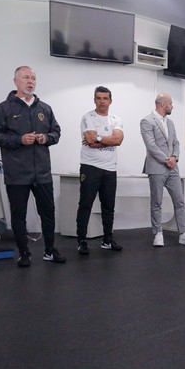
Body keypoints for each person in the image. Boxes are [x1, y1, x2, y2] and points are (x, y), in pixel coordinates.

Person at [0, 65, 65, 267]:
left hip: (42, 173)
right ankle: (24, 252)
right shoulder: (3, 108)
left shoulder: (45, 108)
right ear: (15, 81)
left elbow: (56, 133)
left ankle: (49, 250)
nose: (30, 81)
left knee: (48, 213)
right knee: (18, 215)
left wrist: (45, 137)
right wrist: (19, 139)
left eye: (33, 78)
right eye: (25, 78)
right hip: (17, 173)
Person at [140, 93, 185, 247]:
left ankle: (183, 233)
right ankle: (158, 234)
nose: (172, 106)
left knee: (179, 201)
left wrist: (174, 158)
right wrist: (167, 159)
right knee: (156, 202)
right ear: (163, 104)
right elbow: (151, 146)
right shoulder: (146, 121)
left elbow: (176, 143)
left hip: (172, 168)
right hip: (157, 167)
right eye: (171, 103)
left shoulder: (170, 123)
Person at [75, 86, 124, 255]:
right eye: (98, 98)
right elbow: (89, 140)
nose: (102, 101)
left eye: (105, 98)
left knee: (108, 206)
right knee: (85, 204)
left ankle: (107, 240)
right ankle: (81, 240)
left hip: (110, 168)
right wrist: (105, 140)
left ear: (110, 101)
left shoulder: (116, 118)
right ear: (94, 100)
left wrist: (98, 138)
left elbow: (118, 140)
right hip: (90, 167)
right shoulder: (88, 117)